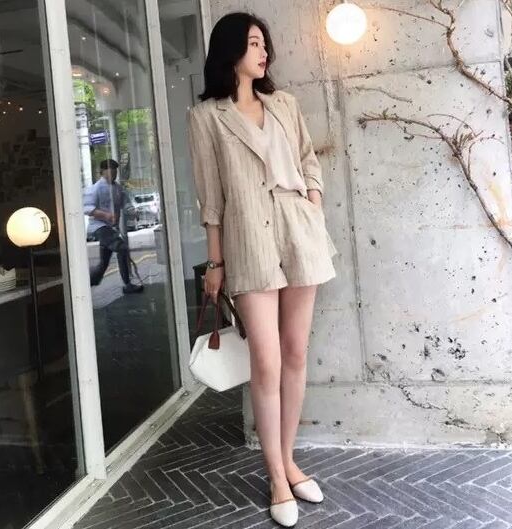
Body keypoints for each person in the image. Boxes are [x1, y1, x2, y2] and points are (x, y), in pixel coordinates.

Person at [187, 12, 338, 528]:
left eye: (265, 43)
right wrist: (215, 261)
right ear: (231, 50)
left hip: (299, 234)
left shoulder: (285, 104)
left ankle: (289, 461)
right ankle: (275, 475)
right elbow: (211, 198)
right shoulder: (206, 116)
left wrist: (313, 202)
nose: (264, 51)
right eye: (254, 43)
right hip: (248, 238)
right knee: (266, 362)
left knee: (295, 352)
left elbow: (308, 159)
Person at [83, 159, 144, 294]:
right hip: (99, 227)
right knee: (122, 248)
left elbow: (125, 203)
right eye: (111, 171)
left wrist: (133, 212)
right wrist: (106, 215)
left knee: (104, 263)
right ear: (103, 172)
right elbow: (87, 208)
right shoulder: (95, 188)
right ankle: (127, 284)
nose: (114, 174)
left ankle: (88, 282)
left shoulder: (118, 188)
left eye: (115, 171)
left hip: (111, 228)